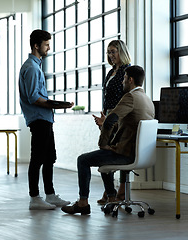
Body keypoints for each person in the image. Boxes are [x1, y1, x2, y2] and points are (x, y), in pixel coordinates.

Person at [61, 65, 154, 215]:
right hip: (139, 154)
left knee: (82, 160)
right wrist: (105, 124)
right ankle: (111, 198)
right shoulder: (147, 100)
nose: (123, 82)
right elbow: (128, 127)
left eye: (124, 78)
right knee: (105, 157)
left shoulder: (130, 97)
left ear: (130, 80)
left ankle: (83, 203)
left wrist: (103, 144)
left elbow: (111, 120)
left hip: (126, 154)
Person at [19, 29, 74, 210]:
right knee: (37, 159)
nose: (49, 48)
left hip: (45, 119)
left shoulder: (36, 66)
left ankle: (50, 195)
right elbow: (34, 97)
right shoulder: (32, 68)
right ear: (37, 45)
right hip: (39, 120)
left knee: (49, 157)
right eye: (46, 44)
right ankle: (35, 198)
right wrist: (58, 105)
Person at [97, 39, 132, 204]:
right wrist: (104, 115)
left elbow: (127, 96)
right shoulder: (110, 72)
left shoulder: (127, 70)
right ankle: (109, 190)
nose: (110, 55)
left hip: (120, 115)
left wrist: (114, 117)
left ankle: (120, 190)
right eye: (108, 52)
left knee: (120, 151)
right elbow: (106, 95)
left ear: (121, 52)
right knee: (108, 151)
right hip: (109, 115)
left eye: (113, 52)